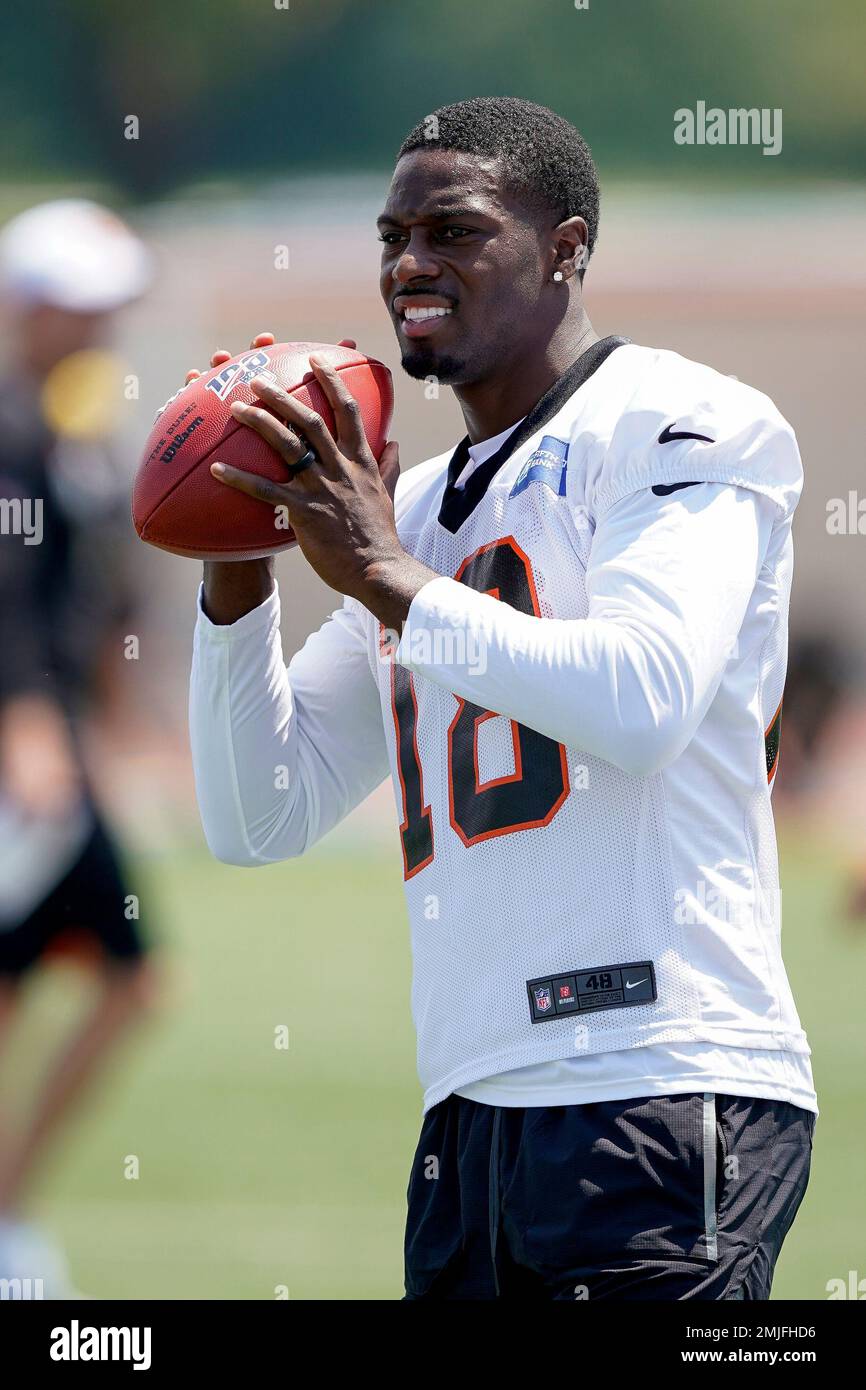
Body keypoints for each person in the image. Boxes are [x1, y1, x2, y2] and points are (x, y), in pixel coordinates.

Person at [186, 98, 816, 1300]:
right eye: (390, 236)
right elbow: (257, 814)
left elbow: (641, 697)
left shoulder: (679, 420)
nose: (408, 264)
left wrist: (385, 578)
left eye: (451, 230)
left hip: (657, 1077)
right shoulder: (415, 506)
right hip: (472, 1105)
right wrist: (236, 560)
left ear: (565, 247)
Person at [0, 200, 157, 1290]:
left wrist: (111, 717)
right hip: (21, 749)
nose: (101, 326)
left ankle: (7, 1205)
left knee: (126, 977)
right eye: (81, 304)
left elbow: (94, 595)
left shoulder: (72, 430)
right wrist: (22, 718)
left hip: (54, 741)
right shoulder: (8, 425)